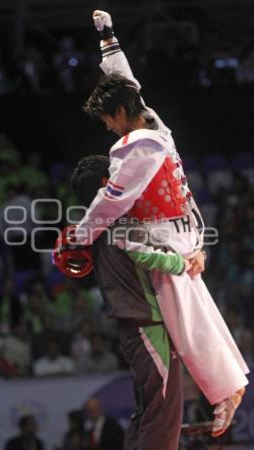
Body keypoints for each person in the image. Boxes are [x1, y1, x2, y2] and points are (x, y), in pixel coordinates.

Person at [75, 10, 249, 437]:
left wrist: (77, 235)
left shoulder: (131, 150)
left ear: (118, 113)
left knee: (187, 327)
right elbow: (128, 83)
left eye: (107, 120)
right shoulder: (155, 124)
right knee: (202, 315)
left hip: (166, 237)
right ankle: (230, 391)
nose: (109, 128)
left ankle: (225, 394)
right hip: (187, 228)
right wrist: (107, 38)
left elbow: (109, 205)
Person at [71, 155, 193, 450]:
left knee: (147, 410)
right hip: (145, 323)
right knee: (163, 411)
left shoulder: (96, 224)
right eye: (115, 177)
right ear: (106, 185)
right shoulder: (117, 219)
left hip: (135, 326)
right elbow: (144, 255)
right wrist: (184, 263)